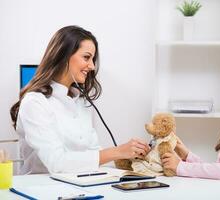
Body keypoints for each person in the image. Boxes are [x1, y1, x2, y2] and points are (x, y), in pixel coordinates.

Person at [10, 25, 150, 174]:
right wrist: (117, 151)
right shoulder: (35, 103)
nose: (92, 66)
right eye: (86, 57)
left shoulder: (81, 102)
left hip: (81, 185)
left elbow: (93, 153)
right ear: (63, 55)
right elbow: (57, 162)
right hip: (42, 190)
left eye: (93, 59)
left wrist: (130, 158)